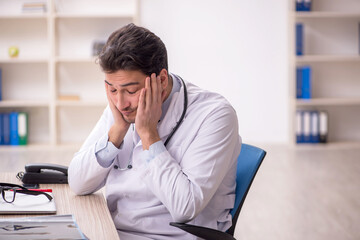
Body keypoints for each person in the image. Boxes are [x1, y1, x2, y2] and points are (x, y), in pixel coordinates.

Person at [68, 23, 241, 240]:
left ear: (160, 79)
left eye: (131, 91)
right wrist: (117, 133)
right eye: (112, 89)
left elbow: (184, 208)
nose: (121, 103)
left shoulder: (214, 115)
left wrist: (148, 135)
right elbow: (77, 182)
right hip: (113, 232)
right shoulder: (122, 110)